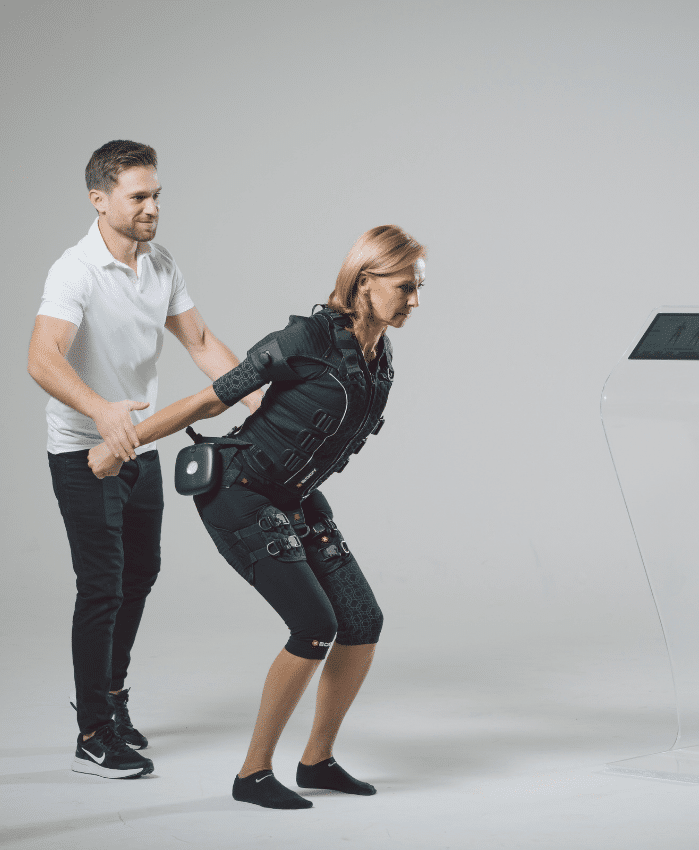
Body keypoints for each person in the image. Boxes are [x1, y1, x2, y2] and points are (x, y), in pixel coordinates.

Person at [87, 225, 426, 808]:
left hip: (293, 493)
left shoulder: (379, 354)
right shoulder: (307, 337)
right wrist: (123, 442)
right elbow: (212, 397)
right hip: (240, 490)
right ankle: (252, 775)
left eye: (419, 287)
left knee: (362, 620)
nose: (414, 300)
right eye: (405, 286)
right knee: (314, 626)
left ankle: (317, 761)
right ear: (365, 280)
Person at [27, 141, 264, 780]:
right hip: (84, 449)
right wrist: (103, 411)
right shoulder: (73, 271)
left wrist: (261, 398)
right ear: (99, 201)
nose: (153, 207)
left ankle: (112, 697)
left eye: (156, 195)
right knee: (101, 583)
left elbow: (204, 343)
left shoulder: (160, 264)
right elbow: (42, 358)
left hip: (144, 446)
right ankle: (93, 732)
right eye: (139, 197)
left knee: (141, 573)